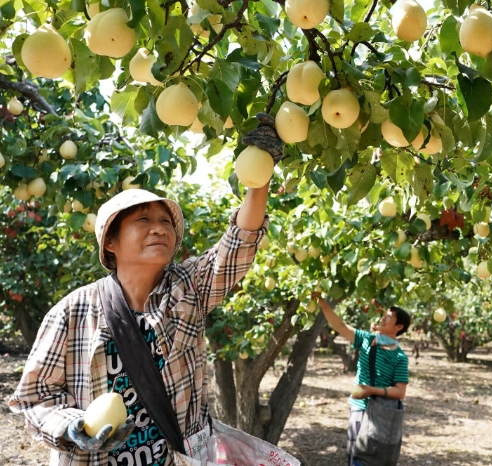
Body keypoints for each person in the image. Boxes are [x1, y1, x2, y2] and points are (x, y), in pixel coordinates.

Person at [9, 114, 282, 466]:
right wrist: (72, 425)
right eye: (143, 220)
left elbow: (237, 247)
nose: (159, 229)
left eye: (165, 222)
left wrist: (259, 176)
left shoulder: (187, 291)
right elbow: (33, 398)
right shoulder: (72, 312)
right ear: (111, 244)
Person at [311, 293, 410, 466]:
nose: (383, 318)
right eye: (384, 315)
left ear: (399, 326)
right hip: (360, 407)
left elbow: (400, 391)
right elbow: (340, 326)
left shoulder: (400, 357)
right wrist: (322, 303)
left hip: (381, 413)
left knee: (375, 458)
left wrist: (373, 391)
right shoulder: (366, 339)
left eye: (388, 317)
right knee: (355, 454)